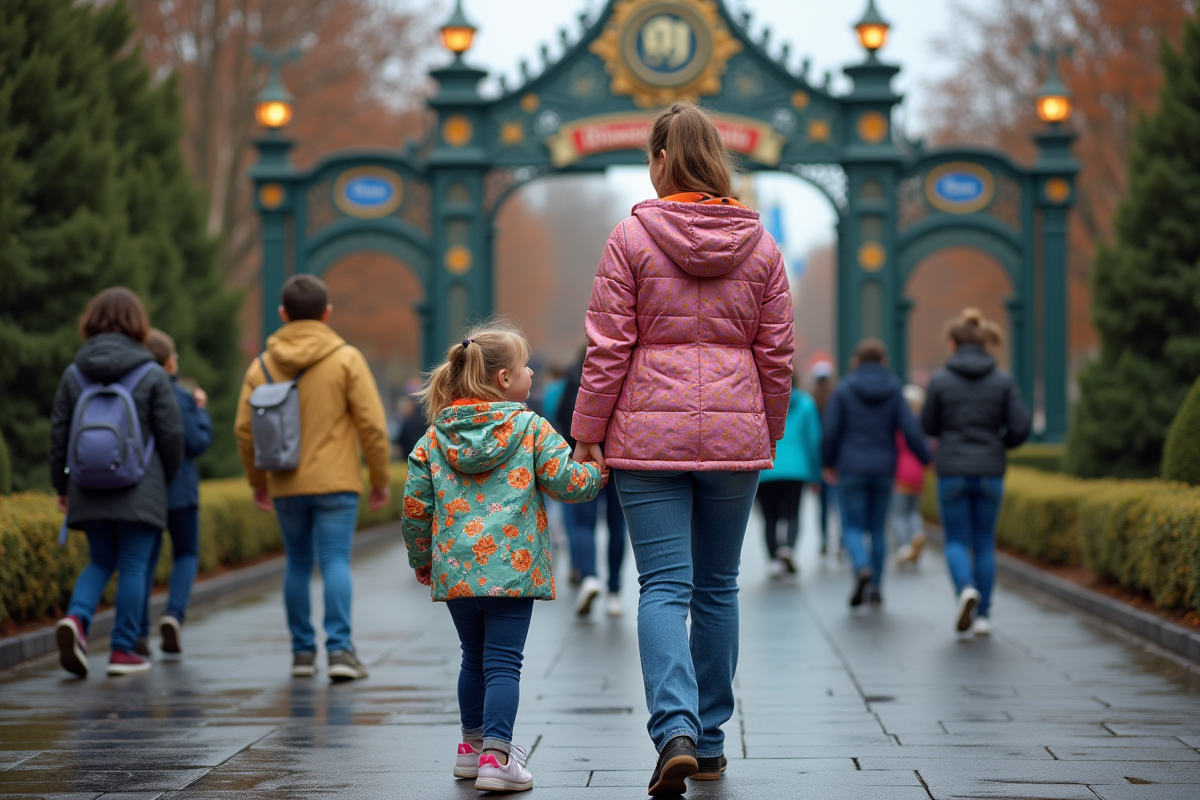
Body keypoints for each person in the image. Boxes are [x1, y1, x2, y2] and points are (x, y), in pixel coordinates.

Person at [570, 101, 794, 796]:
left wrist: (586, 433)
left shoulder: (630, 240)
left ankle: (676, 731)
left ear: (664, 159)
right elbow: (777, 353)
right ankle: (715, 739)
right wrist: (769, 427)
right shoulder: (761, 245)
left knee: (663, 587)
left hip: (646, 437)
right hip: (733, 433)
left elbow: (609, 348)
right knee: (718, 587)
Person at [401, 320, 604, 794]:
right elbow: (566, 483)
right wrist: (598, 472)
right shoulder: (530, 427)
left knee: (473, 658)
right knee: (503, 664)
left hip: (455, 570)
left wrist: (422, 558)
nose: (532, 372)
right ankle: (498, 756)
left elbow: (414, 506)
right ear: (503, 380)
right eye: (524, 366)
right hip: (512, 571)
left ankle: (470, 752)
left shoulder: (434, 437)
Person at [234, 274, 391, 681]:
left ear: (283, 314)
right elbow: (372, 424)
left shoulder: (262, 365)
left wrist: (257, 482)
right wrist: (378, 478)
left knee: (297, 564)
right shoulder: (346, 358)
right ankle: (340, 651)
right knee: (335, 560)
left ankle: (302, 653)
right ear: (327, 313)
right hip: (337, 482)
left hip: (285, 483)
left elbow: (244, 429)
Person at [51, 288, 184, 677]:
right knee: (133, 563)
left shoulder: (74, 373)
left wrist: (61, 485)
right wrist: (165, 477)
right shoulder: (151, 372)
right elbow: (172, 434)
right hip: (140, 484)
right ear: (137, 323)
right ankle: (124, 650)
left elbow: (59, 433)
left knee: (100, 560)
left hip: (88, 484)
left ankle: (76, 621)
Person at [922, 309, 1031, 635]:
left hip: (953, 468)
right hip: (990, 470)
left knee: (955, 538)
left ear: (953, 344)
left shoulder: (940, 380)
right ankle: (983, 616)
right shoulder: (1003, 380)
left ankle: (965, 589)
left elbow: (928, 425)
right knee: (984, 542)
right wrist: (999, 444)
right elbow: (1021, 426)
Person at [822, 339, 931, 609]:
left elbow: (831, 431)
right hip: (884, 468)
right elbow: (910, 428)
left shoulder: (844, 389)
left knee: (853, 527)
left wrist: (828, 463)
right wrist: (927, 459)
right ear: (883, 362)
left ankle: (860, 566)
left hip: (851, 466)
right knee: (878, 529)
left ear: (855, 361)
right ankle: (876, 588)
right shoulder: (894, 389)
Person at [140, 329, 212, 658]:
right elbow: (197, 443)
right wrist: (200, 411)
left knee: (141, 562)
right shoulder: (182, 398)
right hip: (181, 489)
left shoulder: (135, 394)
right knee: (186, 553)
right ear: (169, 363)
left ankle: (137, 632)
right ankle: (173, 614)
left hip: (145, 493)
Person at [556, 349, 628, 617]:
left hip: (583, 457)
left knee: (583, 523)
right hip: (617, 460)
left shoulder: (574, 374)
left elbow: (564, 415)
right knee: (616, 525)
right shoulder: (623, 370)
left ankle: (589, 577)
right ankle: (614, 592)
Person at [756, 373, 821, 578]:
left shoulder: (761, 400)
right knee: (793, 513)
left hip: (767, 467)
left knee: (770, 518)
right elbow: (814, 440)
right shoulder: (806, 403)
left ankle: (774, 561)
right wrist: (816, 474)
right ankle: (788, 550)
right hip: (797, 469)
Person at [892, 384, 928, 568]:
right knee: (913, 511)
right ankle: (917, 534)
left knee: (898, 514)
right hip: (918, 473)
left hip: (900, 473)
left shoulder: (899, 422)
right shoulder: (921, 423)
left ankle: (905, 546)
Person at [810, 361, 837, 555]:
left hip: (820, 458)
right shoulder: (837, 398)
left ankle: (824, 540)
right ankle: (843, 542)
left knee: (823, 504)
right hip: (837, 459)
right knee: (840, 502)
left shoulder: (811, 401)